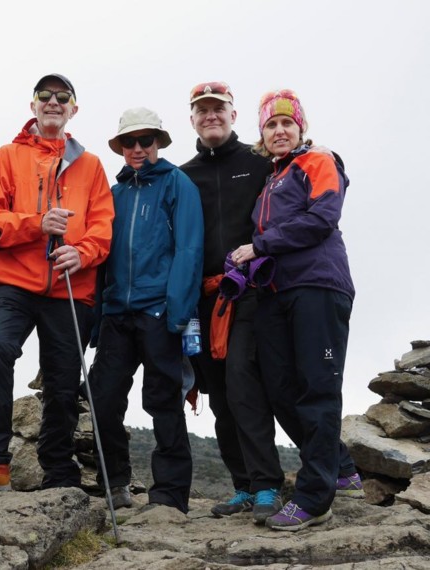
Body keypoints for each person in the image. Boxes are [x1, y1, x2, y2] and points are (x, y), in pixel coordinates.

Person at [0, 73, 115, 499]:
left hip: (69, 286)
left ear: (73, 109)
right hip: (13, 280)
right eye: (45, 96)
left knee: (62, 382)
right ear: (33, 106)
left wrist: (83, 253)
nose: (53, 102)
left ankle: (59, 471)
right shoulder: (7, 155)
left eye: (63, 97)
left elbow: (102, 226)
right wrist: (35, 224)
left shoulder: (91, 164)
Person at [230, 88, 360, 531]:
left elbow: (324, 217)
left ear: (301, 128)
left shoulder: (318, 162)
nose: (280, 130)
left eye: (288, 122)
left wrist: (258, 245)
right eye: (271, 124)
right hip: (276, 293)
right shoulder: (271, 178)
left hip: (319, 287)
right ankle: (340, 467)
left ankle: (313, 498)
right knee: (279, 386)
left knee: (317, 388)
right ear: (262, 135)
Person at [88, 107, 203, 514]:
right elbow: (101, 257)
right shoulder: (114, 194)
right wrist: (97, 319)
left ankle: (170, 495)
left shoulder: (178, 184)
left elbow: (190, 250)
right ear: (120, 147)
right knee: (103, 400)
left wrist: (178, 314)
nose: (137, 149)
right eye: (129, 142)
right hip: (117, 314)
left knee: (163, 401)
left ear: (159, 141)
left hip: (160, 314)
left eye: (146, 140)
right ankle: (114, 484)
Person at [179, 81, 285, 523]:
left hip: (251, 292)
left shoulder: (259, 163)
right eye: (202, 111)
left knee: (244, 384)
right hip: (203, 299)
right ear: (193, 120)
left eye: (218, 109)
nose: (211, 116)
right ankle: (242, 485)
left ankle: (267, 486)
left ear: (233, 115)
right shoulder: (183, 175)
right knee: (218, 393)